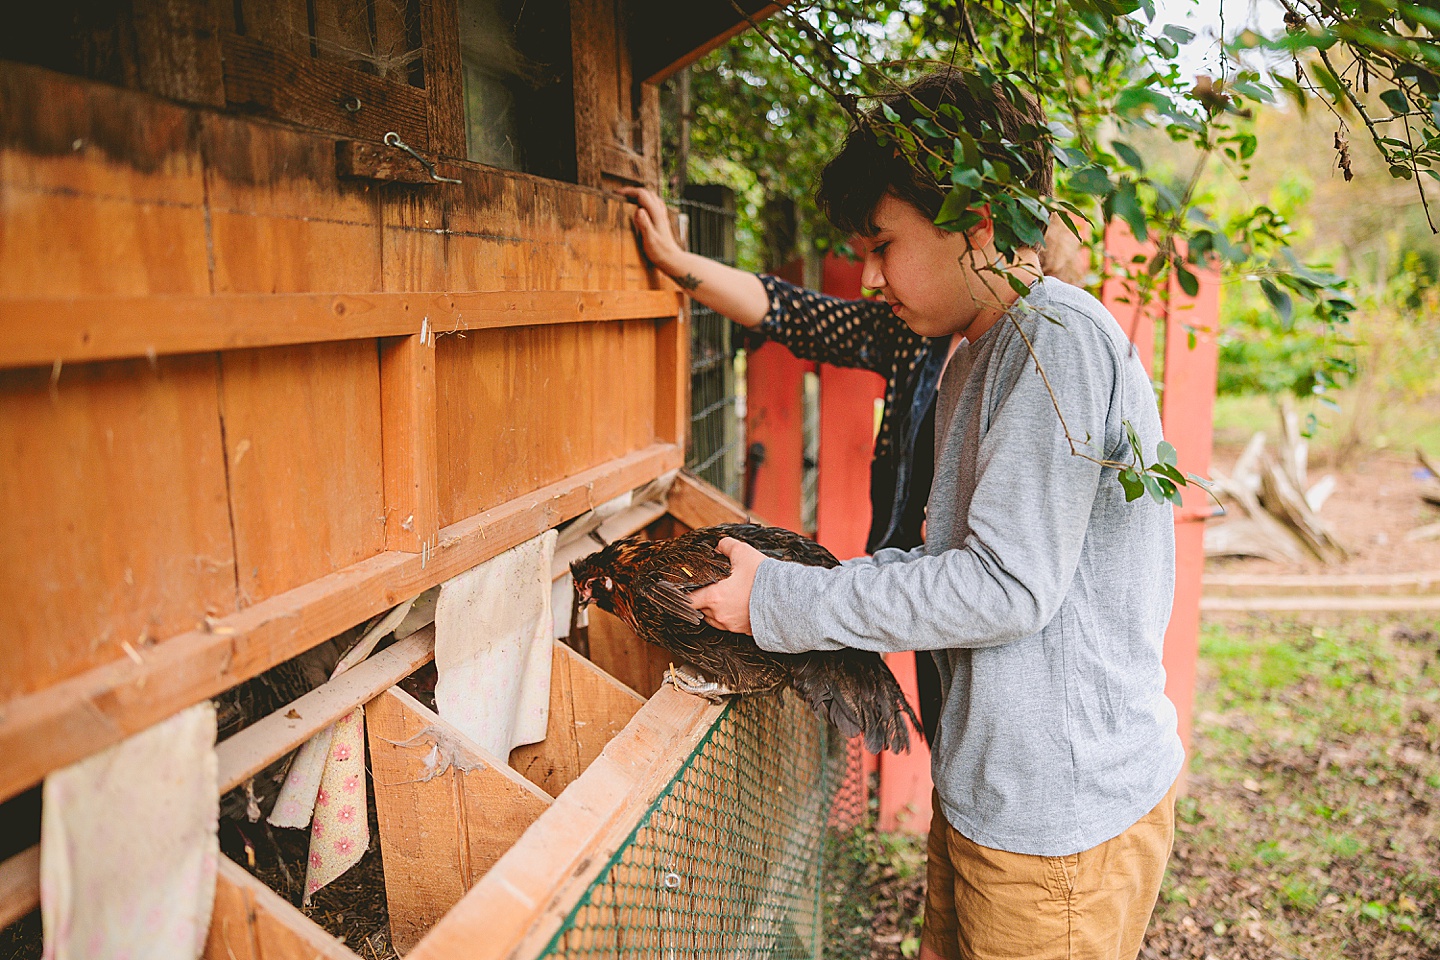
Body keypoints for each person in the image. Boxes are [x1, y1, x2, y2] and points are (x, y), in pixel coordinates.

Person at [684, 71, 1183, 960]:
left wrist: (784, 604)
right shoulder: (972, 351)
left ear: (976, 227)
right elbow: (945, 559)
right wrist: (798, 588)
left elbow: (1003, 589)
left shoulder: (1051, 345)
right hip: (999, 792)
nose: (869, 274)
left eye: (883, 244)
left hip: (1054, 822)